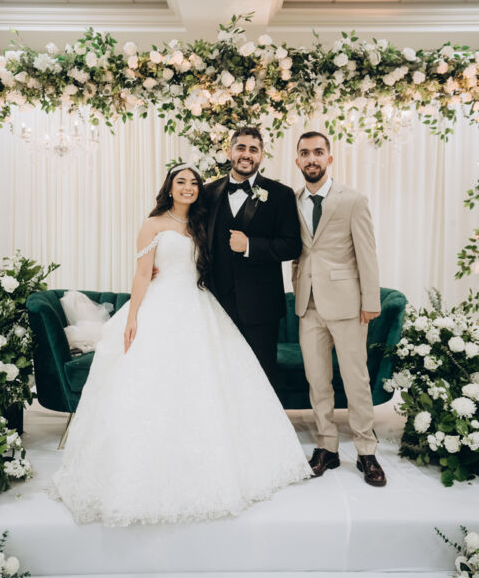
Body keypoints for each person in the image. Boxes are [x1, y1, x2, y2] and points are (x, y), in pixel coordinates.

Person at [52, 163, 311, 526]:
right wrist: (132, 316)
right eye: (181, 182)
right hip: (160, 306)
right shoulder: (153, 224)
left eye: (193, 183)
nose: (188, 187)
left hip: (199, 305)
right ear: (170, 188)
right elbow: (142, 273)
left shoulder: (203, 224)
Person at [292, 131, 386, 487]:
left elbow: (367, 253)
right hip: (308, 305)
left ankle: (366, 451)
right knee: (317, 381)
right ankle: (326, 447)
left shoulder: (353, 200)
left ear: (329, 158)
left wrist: (370, 301)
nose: (312, 158)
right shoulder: (293, 200)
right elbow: (301, 253)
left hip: (347, 304)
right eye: (305, 153)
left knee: (355, 379)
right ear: (297, 160)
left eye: (318, 152)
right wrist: (298, 288)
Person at [205, 127, 302, 384]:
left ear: (261, 155)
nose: (246, 154)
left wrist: (250, 245)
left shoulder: (281, 194)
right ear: (229, 152)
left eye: (253, 149)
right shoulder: (208, 193)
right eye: (241, 148)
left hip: (261, 307)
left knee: (261, 379)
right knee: (220, 377)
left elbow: (292, 246)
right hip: (216, 304)